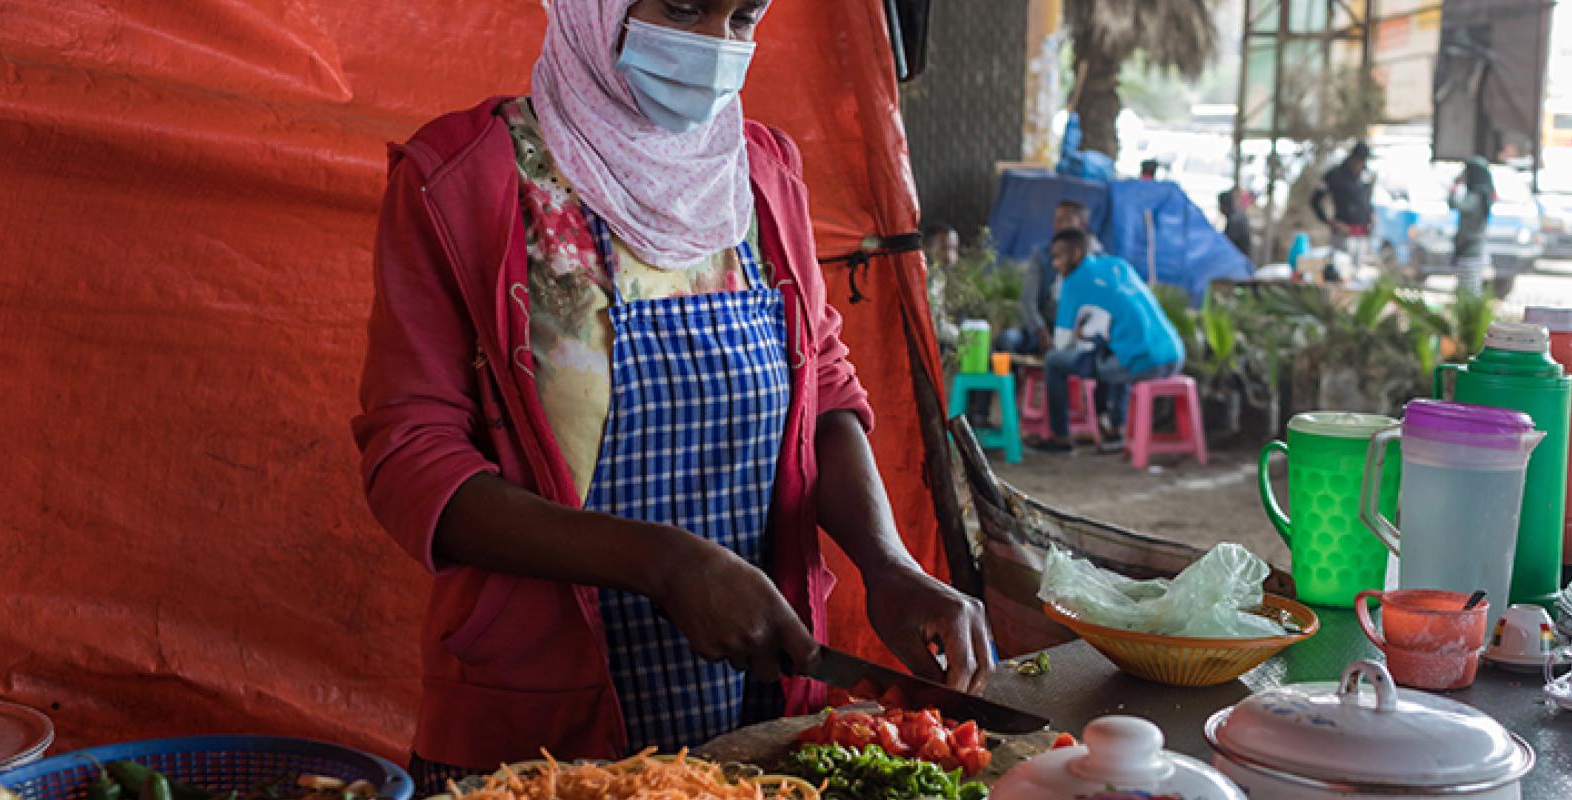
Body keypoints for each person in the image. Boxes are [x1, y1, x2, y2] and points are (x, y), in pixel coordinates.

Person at [352, 0, 993, 786]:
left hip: (758, 719)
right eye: (683, 7)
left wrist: (887, 564)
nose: (714, 47)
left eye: (742, 15)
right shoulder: (462, 180)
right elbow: (413, 463)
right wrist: (660, 562)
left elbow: (821, 387)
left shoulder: (760, 175)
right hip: (540, 736)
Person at [1031, 229, 1185, 454]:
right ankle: (1115, 429)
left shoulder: (1073, 282)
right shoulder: (1118, 265)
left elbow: (1062, 343)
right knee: (1115, 347)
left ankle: (1060, 438)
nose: (1054, 264)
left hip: (1144, 364)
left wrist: (1081, 335)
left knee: (1055, 361)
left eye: (1058, 256)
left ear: (1076, 254)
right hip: (1174, 355)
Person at [1000, 200, 1089, 354]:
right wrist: (1040, 331)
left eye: (1065, 220)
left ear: (1082, 224)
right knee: (1007, 340)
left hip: (1077, 335)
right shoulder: (1041, 256)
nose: (1058, 225)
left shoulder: (1094, 261)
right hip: (1042, 332)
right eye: (1056, 220)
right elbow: (1028, 301)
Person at [1310, 142, 1376, 282]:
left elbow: (1367, 200)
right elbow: (1315, 200)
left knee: (1357, 274)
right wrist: (1329, 221)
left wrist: (1371, 215)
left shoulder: (1366, 175)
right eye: (1358, 160)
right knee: (1340, 272)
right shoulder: (1334, 175)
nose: (1360, 165)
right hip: (1342, 233)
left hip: (1362, 234)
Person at [1449, 158, 1496, 292]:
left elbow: (1454, 204)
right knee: (1470, 286)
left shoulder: (1476, 197)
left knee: (1469, 289)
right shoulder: (1483, 195)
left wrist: (1455, 185)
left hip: (1470, 249)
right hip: (1473, 248)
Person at [1217, 187, 1253, 260]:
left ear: (1225, 205)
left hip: (1239, 260)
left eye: (1220, 205)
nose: (1220, 208)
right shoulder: (1236, 215)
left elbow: (1227, 242)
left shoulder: (1235, 220)